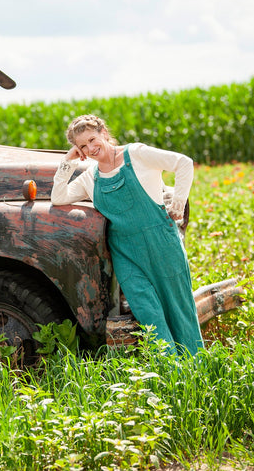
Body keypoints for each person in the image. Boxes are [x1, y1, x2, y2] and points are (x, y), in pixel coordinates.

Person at [51, 114, 203, 356]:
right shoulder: (92, 177)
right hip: (126, 254)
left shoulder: (137, 154)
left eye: (92, 139)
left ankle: (196, 371)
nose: (90, 148)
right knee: (148, 313)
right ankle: (172, 373)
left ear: (103, 132)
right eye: (82, 146)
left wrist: (178, 202)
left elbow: (184, 162)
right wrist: (68, 160)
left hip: (162, 245)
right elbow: (58, 197)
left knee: (179, 309)